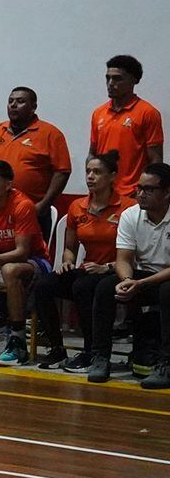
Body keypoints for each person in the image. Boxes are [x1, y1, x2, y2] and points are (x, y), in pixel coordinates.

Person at [33, 151, 124, 372]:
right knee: (44, 284)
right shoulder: (77, 207)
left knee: (83, 286)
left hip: (117, 270)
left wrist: (107, 267)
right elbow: (70, 249)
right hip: (89, 268)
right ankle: (56, 348)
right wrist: (67, 261)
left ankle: (91, 352)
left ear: (112, 176)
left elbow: (134, 254)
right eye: (88, 172)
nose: (91, 176)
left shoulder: (127, 207)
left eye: (97, 172)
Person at [94, 162, 170, 387]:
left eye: (148, 189)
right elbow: (123, 259)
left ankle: (166, 363)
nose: (140, 194)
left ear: (166, 193)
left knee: (168, 291)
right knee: (106, 286)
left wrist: (140, 282)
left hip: (163, 279)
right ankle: (100, 356)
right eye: (139, 188)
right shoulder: (130, 215)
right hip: (143, 277)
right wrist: (127, 281)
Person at [0, 87, 71, 235]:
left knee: (27, 255)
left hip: (32, 211)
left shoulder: (51, 134)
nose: (13, 105)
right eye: (10, 101)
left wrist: (43, 205)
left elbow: (62, 172)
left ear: (33, 107)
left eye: (20, 101)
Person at [90, 54, 162, 197]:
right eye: (108, 78)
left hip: (132, 195)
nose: (110, 83)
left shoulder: (148, 113)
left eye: (117, 78)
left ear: (133, 80)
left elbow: (156, 160)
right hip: (103, 194)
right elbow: (93, 153)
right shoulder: (98, 113)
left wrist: (142, 191)